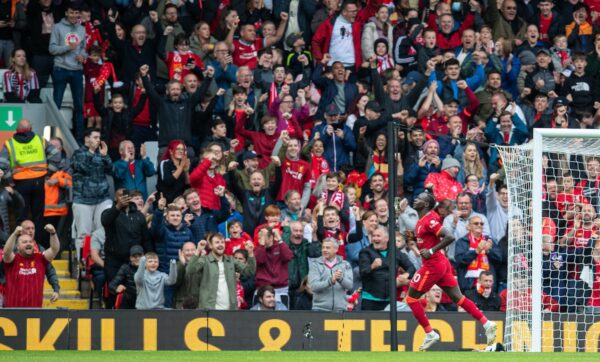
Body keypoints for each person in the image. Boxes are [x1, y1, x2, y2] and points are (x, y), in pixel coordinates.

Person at [407, 191, 497, 351]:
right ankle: (487, 323)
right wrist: (414, 242)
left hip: (432, 265)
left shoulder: (429, 220)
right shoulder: (420, 221)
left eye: (419, 198)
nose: (415, 199)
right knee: (458, 298)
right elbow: (426, 242)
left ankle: (430, 333)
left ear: (426, 204)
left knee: (411, 299)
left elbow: (449, 237)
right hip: (440, 264)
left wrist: (432, 251)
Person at [0, 118, 61, 244]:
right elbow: (56, 155)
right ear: (31, 129)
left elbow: (2, 165)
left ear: (17, 131)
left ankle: (19, 245)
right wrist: (48, 173)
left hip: (20, 184)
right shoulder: (40, 140)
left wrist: (9, 180)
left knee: (21, 216)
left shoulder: (10, 144)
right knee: (38, 217)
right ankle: (38, 246)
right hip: (39, 182)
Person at [186, 232, 256, 310]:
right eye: (217, 242)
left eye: (222, 242)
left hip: (230, 309)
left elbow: (249, 271)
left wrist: (250, 253)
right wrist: (198, 250)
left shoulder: (231, 260)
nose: (220, 244)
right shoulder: (205, 260)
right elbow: (190, 270)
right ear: (210, 246)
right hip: (209, 309)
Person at [71, 128, 113, 257]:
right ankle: (82, 264)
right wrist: (90, 152)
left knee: (103, 231)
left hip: (102, 199)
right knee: (84, 233)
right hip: (83, 200)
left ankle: (101, 261)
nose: (98, 140)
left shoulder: (101, 153)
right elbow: (81, 167)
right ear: (86, 139)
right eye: (95, 137)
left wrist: (105, 156)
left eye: (99, 137)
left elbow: (111, 170)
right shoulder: (78, 153)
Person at [49, 4, 86, 142]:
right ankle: (51, 138)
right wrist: (67, 47)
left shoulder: (82, 29)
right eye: (71, 12)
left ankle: (79, 140)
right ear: (66, 13)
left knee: (79, 107)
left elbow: (84, 49)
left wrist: (83, 56)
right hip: (61, 68)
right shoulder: (57, 27)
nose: (74, 15)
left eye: (77, 13)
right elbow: (52, 49)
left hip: (77, 70)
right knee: (56, 105)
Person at [359, 225, 415, 311]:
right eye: (373, 236)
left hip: (390, 300)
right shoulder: (365, 252)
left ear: (387, 238)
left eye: (378, 236)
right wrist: (372, 266)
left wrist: (406, 275)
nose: (375, 238)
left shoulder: (395, 252)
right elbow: (362, 273)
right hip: (370, 299)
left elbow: (411, 268)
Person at [2, 224, 59, 308]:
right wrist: (14, 234)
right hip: (12, 314)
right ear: (17, 247)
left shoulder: (40, 259)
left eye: (30, 241)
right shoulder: (12, 260)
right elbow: (6, 252)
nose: (28, 243)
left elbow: (54, 250)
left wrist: (53, 233)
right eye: (24, 242)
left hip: (35, 314)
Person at [308, 237, 352, 311]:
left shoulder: (345, 264)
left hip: (340, 310)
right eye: (323, 247)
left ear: (336, 249)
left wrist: (340, 278)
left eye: (328, 248)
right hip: (320, 309)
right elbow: (313, 286)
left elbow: (350, 285)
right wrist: (330, 281)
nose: (324, 250)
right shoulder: (315, 264)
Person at [109, 245, 144, 310]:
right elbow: (111, 285)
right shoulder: (125, 268)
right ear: (130, 258)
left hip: (145, 301)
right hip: (129, 301)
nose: (137, 258)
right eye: (134, 256)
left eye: (140, 256)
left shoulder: (148, 268)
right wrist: (116, 288)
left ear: (144, 257)